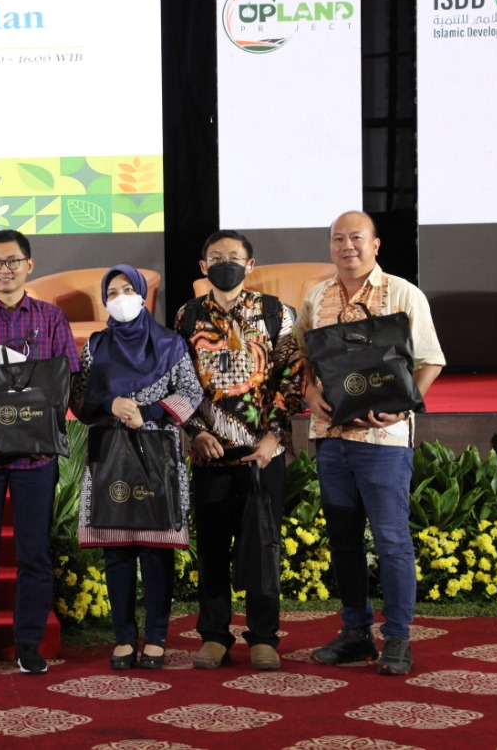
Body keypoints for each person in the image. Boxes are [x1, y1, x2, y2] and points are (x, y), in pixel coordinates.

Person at [298, 211, 445, 676]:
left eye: (356, 238)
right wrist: (310, 393)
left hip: (383, 439)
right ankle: (355, 634)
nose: (348, 246)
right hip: (331, 437)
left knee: (391, 541)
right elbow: (302, 358)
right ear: (330, 246)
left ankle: (397, 638)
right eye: (338, 239)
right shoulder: (316, 295)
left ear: (375, 244)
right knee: (344, 542)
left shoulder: (402, 293)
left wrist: (403, 406)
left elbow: (431, 360)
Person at [0, 229, 81, 675]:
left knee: (34, 555)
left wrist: (42, 432)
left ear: (29, 265)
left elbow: (63, 383)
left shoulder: (52, 319)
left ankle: (29, 645)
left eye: (13, 261)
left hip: (35, 458)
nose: (4, 269)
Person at [175, 231, 305, 671]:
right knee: (212, 549)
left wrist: (273, 438)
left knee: (262, 547)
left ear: (250, 265)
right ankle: (214, 636)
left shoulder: (275, 312)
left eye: (234, 256)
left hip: (261, 456)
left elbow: (292, 377)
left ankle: (264, 637)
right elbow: (180, 382)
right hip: (210, 455)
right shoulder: (187, 315)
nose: (225, 263)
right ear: (203, 266)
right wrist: (195, 432)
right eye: (216, 257)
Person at [72, 265, 202, 670]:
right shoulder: (96, 346)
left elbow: (191, 392)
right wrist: (110, 404)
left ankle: (157, 636)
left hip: (157, 455)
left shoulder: (170, 344)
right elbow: (79, 400)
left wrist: (148, 411)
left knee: (156, 550)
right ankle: (125, 637)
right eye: (112, 292)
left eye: (128, 289)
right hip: (111, 456)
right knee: (117, 551)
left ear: (144, 295)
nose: (121, 298)